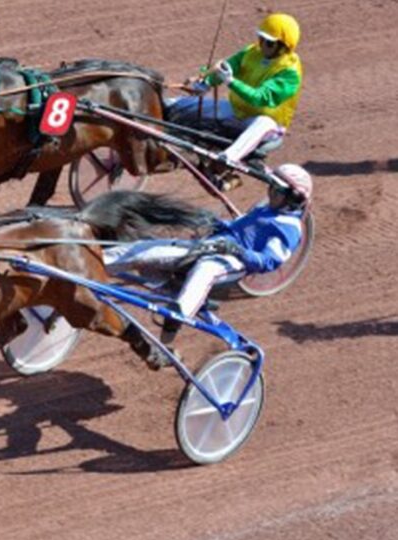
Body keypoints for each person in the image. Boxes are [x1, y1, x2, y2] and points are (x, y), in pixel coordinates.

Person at [103, 163, 312, 350]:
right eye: (271, 186)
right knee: (150, 250)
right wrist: (217, 223)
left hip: (232, 262)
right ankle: (99, 262)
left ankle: (179, 314)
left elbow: (268, 262)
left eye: (277, 190)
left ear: (293, 198)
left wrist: (237, 250)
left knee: (206, 268)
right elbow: (238, 228)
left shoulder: (288, 228)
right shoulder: (265, 208)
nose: (270, 192)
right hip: (210, 246)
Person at [167, 13, 304, 180]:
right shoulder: (251, 52)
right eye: (260, 38)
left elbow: (260, 98)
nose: (261, 45)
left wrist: (231, 82)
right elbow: (225, 69)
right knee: (177, 104)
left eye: (268, 42)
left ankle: (228, 158)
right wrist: (206, 82)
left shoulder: (290, 73)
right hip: (236, 111)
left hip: (267, 127)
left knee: (264, 122)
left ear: (283, 47)